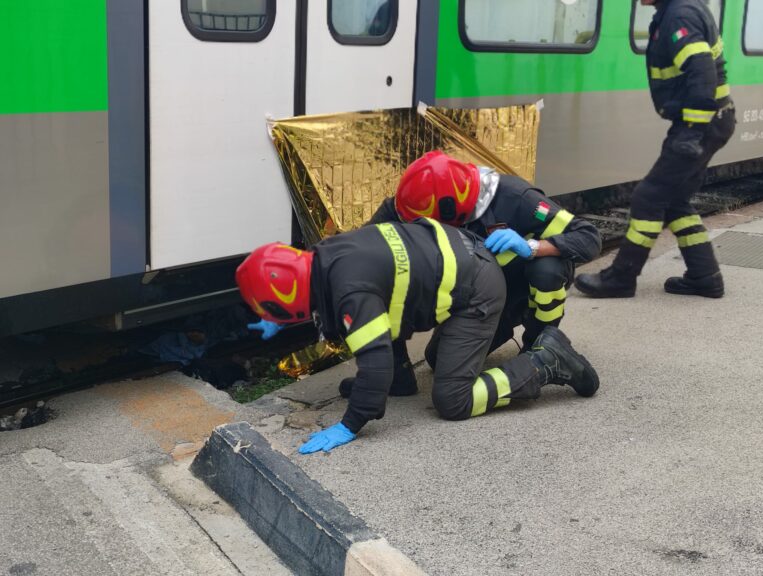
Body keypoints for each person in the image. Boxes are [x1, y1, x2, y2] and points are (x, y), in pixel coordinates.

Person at [237, 219, 599, 454]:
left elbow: (374, 361)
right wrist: (285, 319)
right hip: (466, 254)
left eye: (272, 310)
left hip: (478, 291)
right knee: (437, 358)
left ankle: (546, 361)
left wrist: (351, 423)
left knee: (453, 398)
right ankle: (403, 379)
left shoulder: (351, 291)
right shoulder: (327, 255)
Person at [575, 0, 735, 299]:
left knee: (648, 197)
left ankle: (621, 278)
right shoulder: (678, 10)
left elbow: (702, 73)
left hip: (701, 124)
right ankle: (705, 277)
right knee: (675, 201)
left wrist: (692, 131)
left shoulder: (679, 15)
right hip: (712, 121)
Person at [370, 150, 602, 353]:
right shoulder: (413, 203)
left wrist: (531, 248)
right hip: (483, 293)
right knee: (438, 360)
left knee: (547, 270)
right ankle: (500, 326)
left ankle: (543, 347)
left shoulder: (515, 198)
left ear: (454, 214)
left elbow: (588, 238)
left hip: (522, 280)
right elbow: (363, 250)